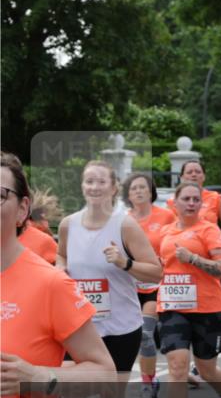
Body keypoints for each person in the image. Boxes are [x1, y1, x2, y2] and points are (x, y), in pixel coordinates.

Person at [1, 153, 116, 398]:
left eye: (0, 194)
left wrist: (38, 376)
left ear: (22, 209)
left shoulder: (50, 284)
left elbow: (103, 370)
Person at [56, 162, 162, 383]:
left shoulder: (126, 225)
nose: (95, 187)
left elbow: (155, 273)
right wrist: (60, 267)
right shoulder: (68, 224)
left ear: (113, 188)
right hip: (80, 325)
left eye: (102, 182)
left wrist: (125, 263)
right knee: (68, 389)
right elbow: (62, 255)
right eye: (89, 181)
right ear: (82, 186)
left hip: (120, 327)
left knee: (110, 396)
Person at [158, 181, 221, 398]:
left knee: (206, 370)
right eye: (186, 199)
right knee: (178, 368)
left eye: (196, 199)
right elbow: (158, 265)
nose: (191, 203)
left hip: (207, 308)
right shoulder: (166, 232)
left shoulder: (209, 230)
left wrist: (191, 258)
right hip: (172, 307)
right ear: (175, 203)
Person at [123, 172, 176, 398]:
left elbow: (177, 239)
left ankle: (147, 383)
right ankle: (149, 377)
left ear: (151, 191)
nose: (138, 191)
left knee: (146, 334)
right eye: (133, 188)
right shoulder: (123, 219)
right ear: (128, 194)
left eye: (142, 187)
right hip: (128, 285)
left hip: (155, 284)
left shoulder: (165, 216)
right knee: (129, 338)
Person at [167, 160, 221, 236]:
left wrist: (220, 235)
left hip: (210, 244)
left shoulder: (215, 197)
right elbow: (167, 226)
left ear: (204, 177)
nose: (194, 175)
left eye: (198, 172)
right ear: (182, 178)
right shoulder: (173, 201)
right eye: (189, 172)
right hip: (182, 243)